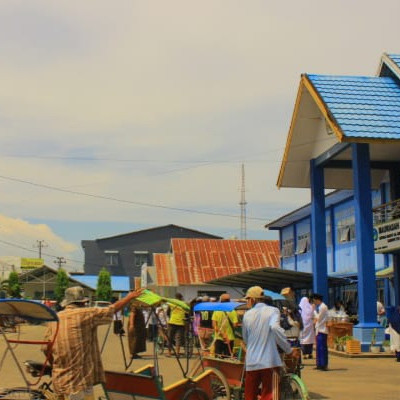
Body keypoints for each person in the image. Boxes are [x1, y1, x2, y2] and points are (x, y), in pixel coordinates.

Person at [43, 286, 143, 400]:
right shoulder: (85, 313)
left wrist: (55, 367)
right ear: (82, 303)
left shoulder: (55, 318)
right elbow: (111, 309)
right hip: (80, 381)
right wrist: (129, 297)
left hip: (60, 380)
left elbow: (46, 348)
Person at [242, 286, 299, 400]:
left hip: (252, 363)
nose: (247, 302)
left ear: (253, 299)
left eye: (248, 299)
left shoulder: (247, 315)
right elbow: (275, 328)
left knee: (250, 395)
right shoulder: (273, 311)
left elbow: (246, 339)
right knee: (269, 395)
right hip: (269, 362)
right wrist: (288, 349)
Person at [212, 293, 238, 357]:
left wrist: (222, 334)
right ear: (229, 301)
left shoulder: (216, 310)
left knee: (218, 356)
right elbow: (235, 325)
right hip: (230, 338)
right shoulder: (233, 311)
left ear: (221, 301)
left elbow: (214, 325)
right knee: (228, 357)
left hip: (219, 338)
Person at [313, 293, 328, 371]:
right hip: (319, 329)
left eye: (314, 300)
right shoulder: (321, 307)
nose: (314, 302)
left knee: (322, 348)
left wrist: (314, 311)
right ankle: (319, 364)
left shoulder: (323, 307)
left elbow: (319, 318)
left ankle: (323, 364)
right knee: (319, 348)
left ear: (317, 300)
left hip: (322, 329)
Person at [167, 293, 186, 357]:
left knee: (170, 338)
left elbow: (167, 313)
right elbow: (187, 314)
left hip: (172, 322)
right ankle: (177, 353)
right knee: (178, 339)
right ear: (181, 298)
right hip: (181, 323)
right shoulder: (184, 304)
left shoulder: (171, 304)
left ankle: (169, 353)